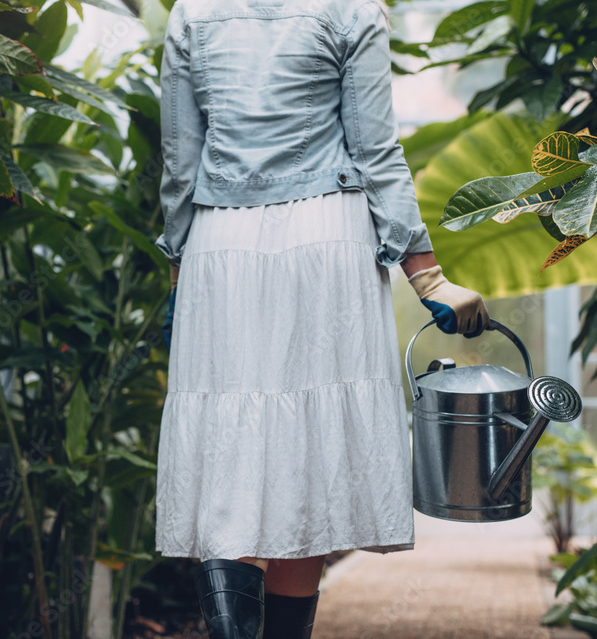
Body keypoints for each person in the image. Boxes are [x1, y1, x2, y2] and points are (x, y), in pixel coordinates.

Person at [153, 1, 490, 637]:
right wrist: (427, 274)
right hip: (326, 238)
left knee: (230, 450)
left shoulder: (191, 12)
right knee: (304, 459)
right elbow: (375, 149)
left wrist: (182, 274)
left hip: (220, 244)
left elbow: (179, 158)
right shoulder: (350, 8)